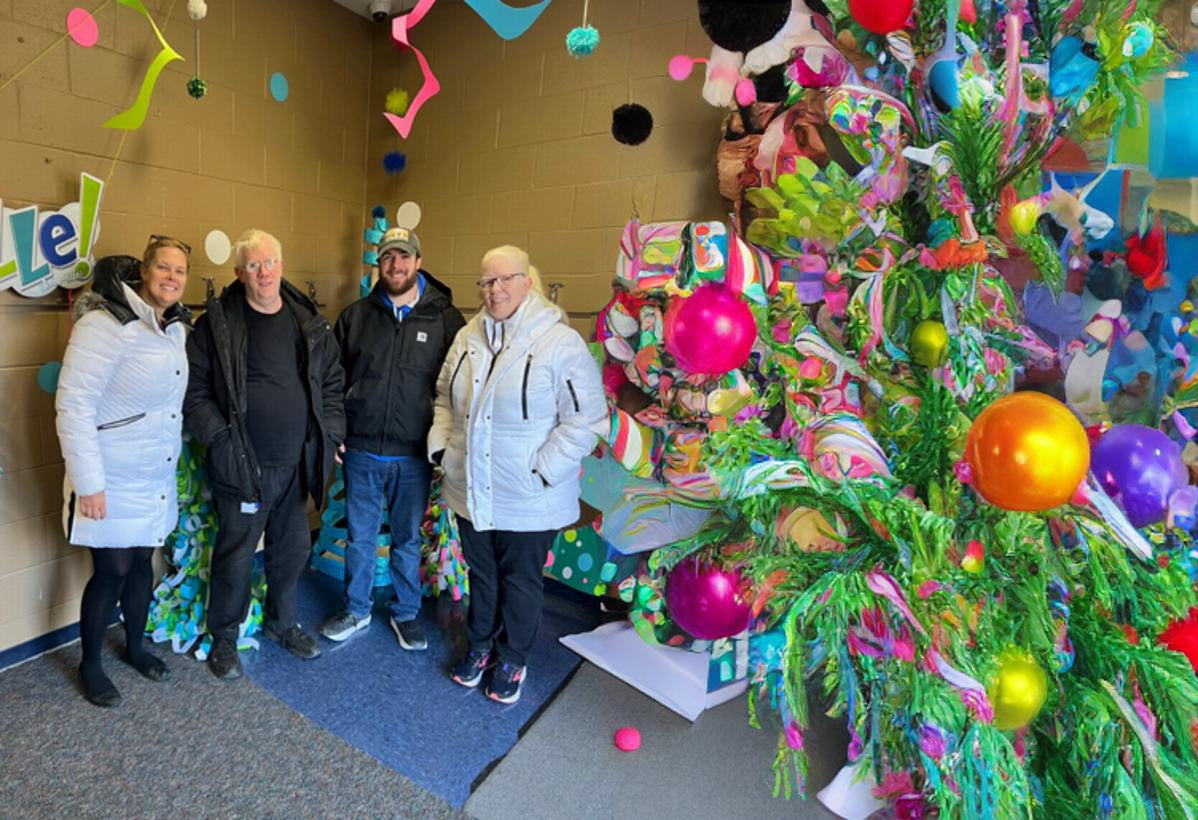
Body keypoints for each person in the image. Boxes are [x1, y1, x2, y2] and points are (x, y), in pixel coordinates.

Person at [429, 245, 606, 704]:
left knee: (522, 582)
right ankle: (482, 645)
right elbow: (445, 400)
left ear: (528, 280)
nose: (495, 290)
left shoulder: (558, 342)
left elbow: (586, 419)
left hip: (529, 495)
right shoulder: (468, 338)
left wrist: (542, 470)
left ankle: (513, 658)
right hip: (470, 486)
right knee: (482, 576)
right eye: (486, 282)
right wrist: (442, 450)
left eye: (505, 279)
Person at [183, 229, 345, 679]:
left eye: (270, 262)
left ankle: (282, 623)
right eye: (253, 265)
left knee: (292, 550)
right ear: (239, 273)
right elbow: (195, 393)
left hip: (296, 464)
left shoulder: (304, 320)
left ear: (282, 265)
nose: (264, 272)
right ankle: (225, 639)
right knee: (235, 554)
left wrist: (330, 434)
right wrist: (221, 441)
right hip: (242, 464)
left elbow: (331, 382)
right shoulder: (216, 324)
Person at [55, 238, 192, 707]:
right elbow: (73, 407)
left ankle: (135, 647)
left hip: (152, 476)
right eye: (163, 268)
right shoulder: (105, 325)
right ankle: (90, 664)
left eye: (180, 271)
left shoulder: (174, 329)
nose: (172, 277)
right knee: (110, 570)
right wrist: (89, 483)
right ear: (143, 272)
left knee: (141, 565)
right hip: (108, 478)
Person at [317, 227, 465, 648]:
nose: (395, 266)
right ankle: (357, 609)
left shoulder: (444, 319)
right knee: (360, 538)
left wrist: (444, 442)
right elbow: (332, 378)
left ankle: (405, 613)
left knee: (406, 540)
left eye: (404, 257)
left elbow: (458, 385)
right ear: (378, 264)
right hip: (362, 449)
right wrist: (336, 431)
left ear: (418, 262)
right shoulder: (355, 317)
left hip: (414, 455)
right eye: (387, 258)